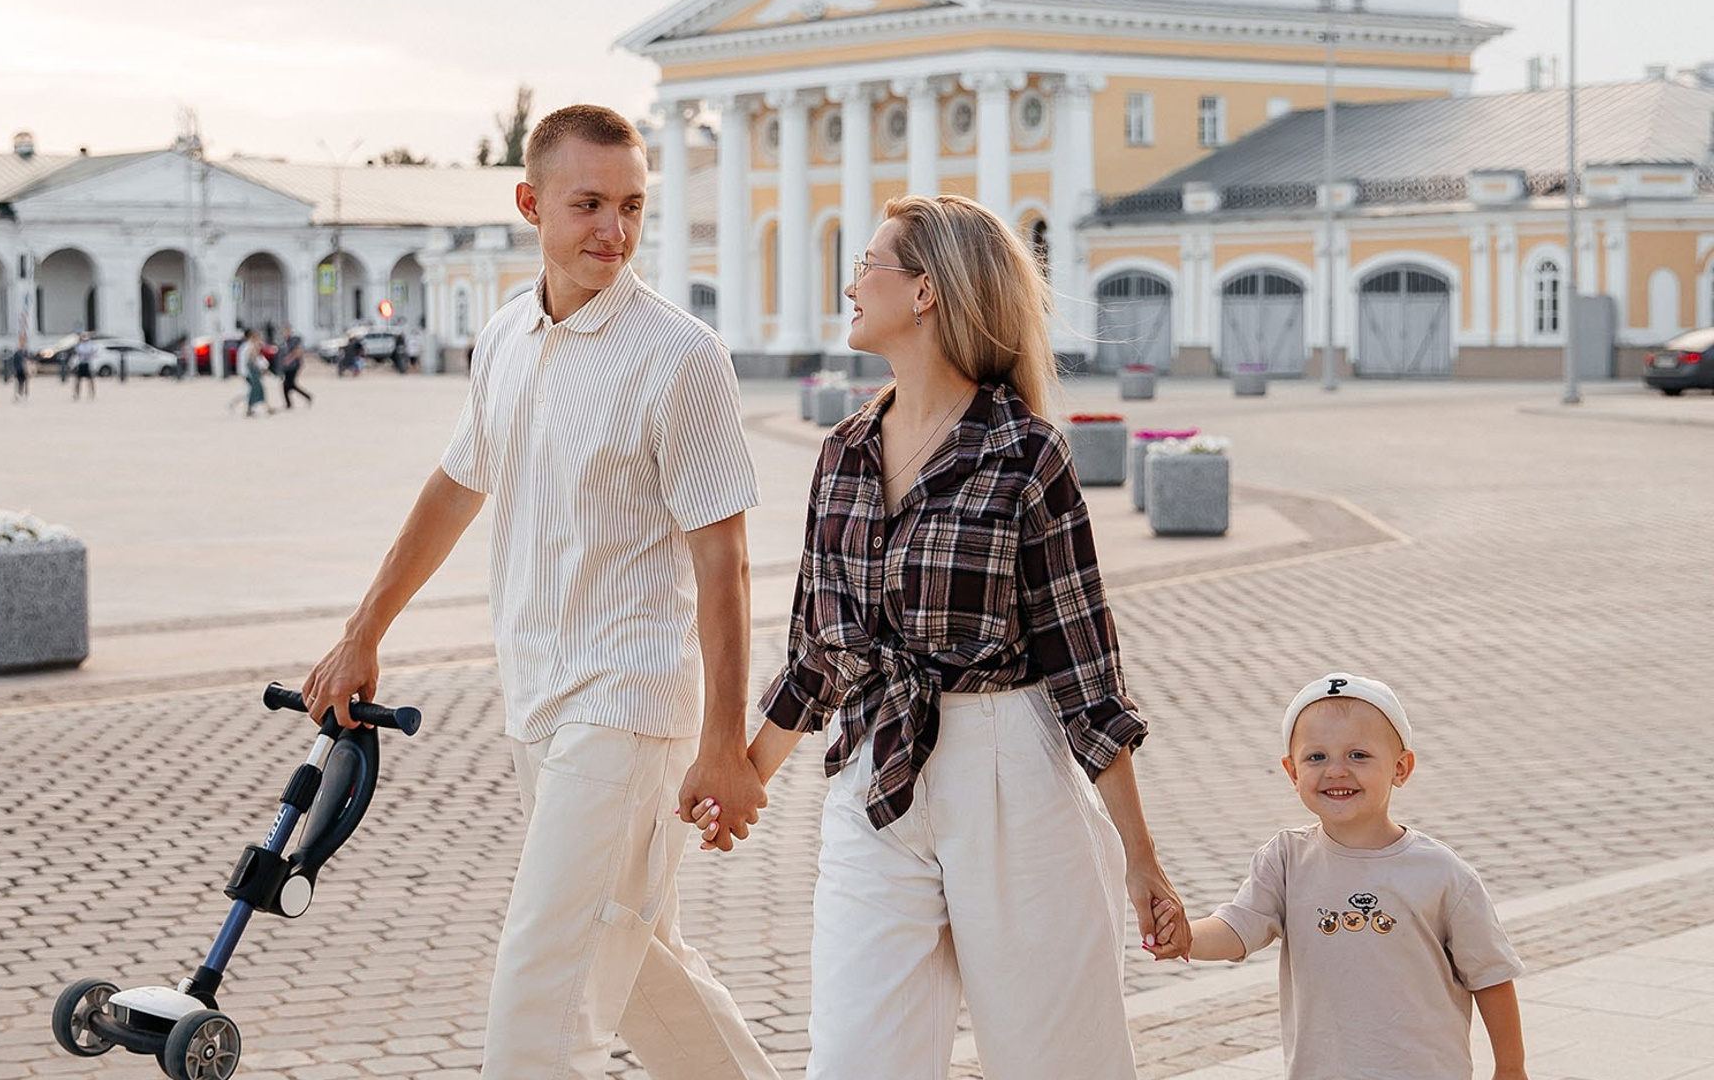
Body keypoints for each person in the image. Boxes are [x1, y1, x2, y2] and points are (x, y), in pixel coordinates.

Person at [302, 105, 778, 1080]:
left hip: (630, 705)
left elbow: (722, 559)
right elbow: (458, 481)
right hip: (538, 699)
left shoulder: (679, 355)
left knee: (542, 992)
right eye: (589, 203)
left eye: (633, 205)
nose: (614, 229)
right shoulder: (506, 339)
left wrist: (725, 742)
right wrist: (364, 631)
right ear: (531, 203)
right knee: (643, 969)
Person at [702, 195, 1188, 1079]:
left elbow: (1088, 675)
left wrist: (1142, 859)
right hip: (873, 779)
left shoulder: (1026, 454)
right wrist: (742, 775)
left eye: (868, 265)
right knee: (853, 1061)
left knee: (1055, 1062)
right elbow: (818, 653)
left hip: (1011, 778)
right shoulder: (843, 450)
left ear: (924, 291)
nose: (851, 285)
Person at [1169, 674, 1528, 1080]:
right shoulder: (1286, 860)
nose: (1336, 771)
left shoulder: (1442, 874)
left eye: (1358, 755)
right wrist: (1186, 936)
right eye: (1316, 757)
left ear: (1400, 768)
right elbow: (1238, 927)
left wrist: (1511, 1067)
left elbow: (1491, 974)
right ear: (1291, 771)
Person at [232, 330, 269, 417]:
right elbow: (254, 359)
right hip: (249, 372)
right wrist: (262, 368)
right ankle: (252, 408)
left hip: (244, 371)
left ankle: (248, 408)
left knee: (250, 390)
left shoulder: (244, 346)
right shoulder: (249, 346)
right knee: (255, 389)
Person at [278, 327, 312, 409]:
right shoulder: (286, 342)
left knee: (290, 384)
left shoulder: (294, 340)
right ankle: (289, 404)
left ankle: (307, 397)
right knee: (287, 385)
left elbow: (298, 351)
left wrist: (289, 359)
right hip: (287, 366)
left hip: (293, 365)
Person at [10, 336, 30, 401]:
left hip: (24, 369)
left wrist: (28, 368)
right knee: (19, 383)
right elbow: (14, 361)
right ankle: (18, 394)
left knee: (25, 382)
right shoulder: (17, 352)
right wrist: (14, 369)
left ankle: (25, 394)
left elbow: (28, 360)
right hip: (18, 369)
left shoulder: (25, 351)